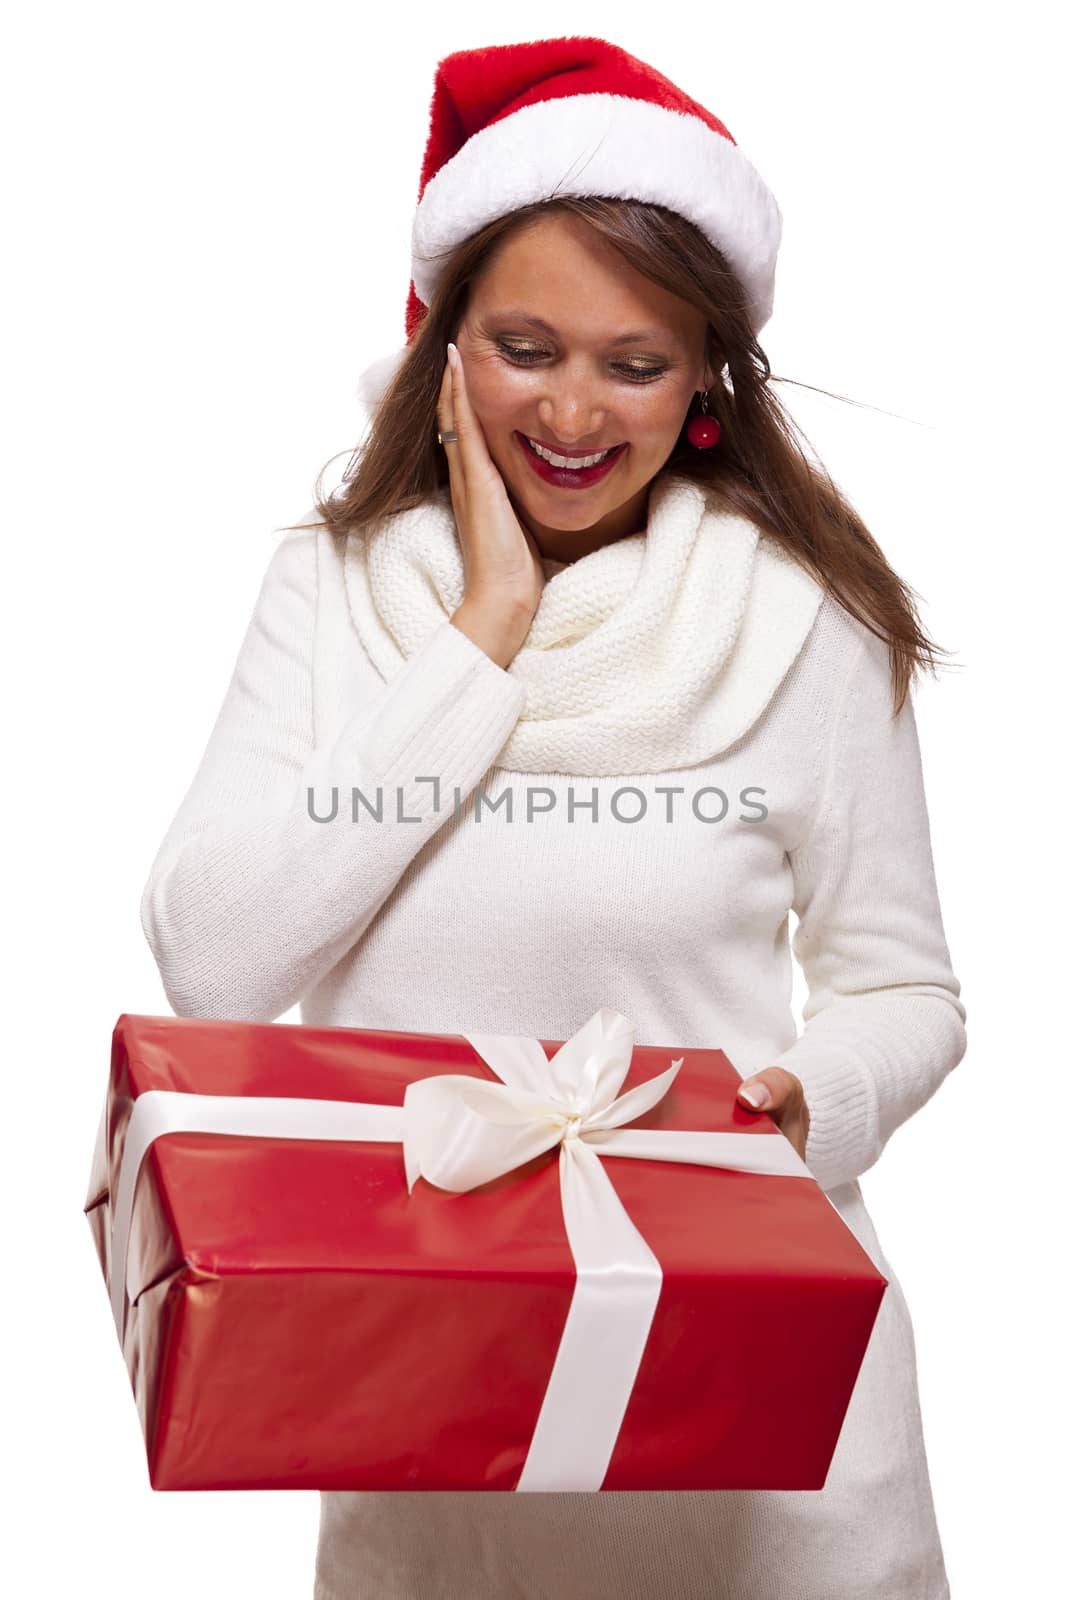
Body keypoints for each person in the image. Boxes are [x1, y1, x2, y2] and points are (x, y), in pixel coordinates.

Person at [138, 35, 967, 1600]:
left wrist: (800, 1100)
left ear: (706, 378)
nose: (576, 412)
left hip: (765, 1444)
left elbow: (907, 990)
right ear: (442, 341)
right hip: (445, 1445)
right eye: (527, 346)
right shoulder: (330, 598)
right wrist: (484, 628)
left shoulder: (799, 623)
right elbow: (218, 964)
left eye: (635, 362)